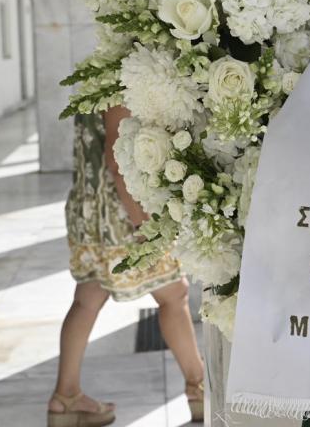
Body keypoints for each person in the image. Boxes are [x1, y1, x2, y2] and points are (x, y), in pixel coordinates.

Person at [47, 107, 204, 427]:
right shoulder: (118, 87)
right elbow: (116, 161)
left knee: (87, 300)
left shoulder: (92, 82)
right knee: (174, 295)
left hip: (91, 213)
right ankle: (199, 388)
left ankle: (66, 399)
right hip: (120, 216)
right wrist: (142, 223)